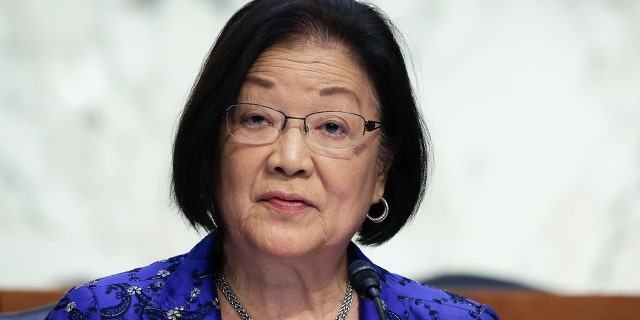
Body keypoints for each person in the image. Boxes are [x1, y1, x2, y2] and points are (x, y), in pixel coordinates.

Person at [47, 0, 500, 319]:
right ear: (211, 144)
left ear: (381, 168)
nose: (290, 158)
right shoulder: (98, 315)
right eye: (257, 119)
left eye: (332, 126)